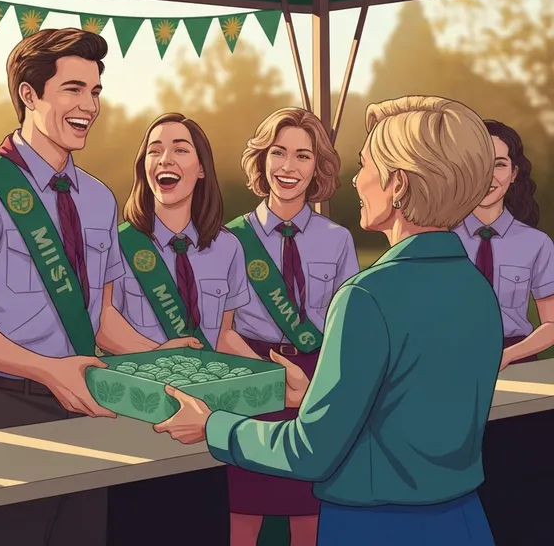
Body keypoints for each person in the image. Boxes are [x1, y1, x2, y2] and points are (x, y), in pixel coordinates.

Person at [155, 95, 502, 546]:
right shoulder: (477, 290)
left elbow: (310, 452)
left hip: (377, 527)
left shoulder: (367, 296)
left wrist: (210, 426)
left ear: (397, 184)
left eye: (365, 165)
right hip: (464, 521)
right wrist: (311, 395)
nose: (356, 180)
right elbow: (408, 410)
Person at [0, 28, 121, 546]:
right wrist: (47, 370)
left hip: (84, 407)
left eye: (95, 91)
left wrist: (160, 353)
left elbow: (100, 318)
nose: (89, 105)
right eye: (73, 89)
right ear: (29, 95)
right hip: (1, 409)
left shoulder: (100, 200)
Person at [103, 112, 252, 546]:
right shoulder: (116, 241)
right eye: (155, 150)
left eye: (180, 149)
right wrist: (160, 352)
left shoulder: (228, 247)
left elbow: (224, 336)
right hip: (135, 423)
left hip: (206, 424)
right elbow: (100, 324)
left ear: (200, 168)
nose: (165, 158)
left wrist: (270, 375)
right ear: (143, 168)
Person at [225, 108, 360, 546]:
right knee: (245, 505)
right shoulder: (229, 239)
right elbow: (220, 330)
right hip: (249, 370)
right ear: (261, 161)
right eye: (278, 153)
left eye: (303, 156)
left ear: (317, 166)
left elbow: (348, 325)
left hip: (317, 373)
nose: (288, 167)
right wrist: (272, 374)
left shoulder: (337, 239)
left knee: (309, 504)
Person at [454, 120, 554, 369]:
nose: (488, 175)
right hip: (454, 361)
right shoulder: (443, 238)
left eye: (499, 164)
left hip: (519, 363)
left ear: (514, 173)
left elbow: (551, 324)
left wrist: (508, 356)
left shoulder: (537, 243)